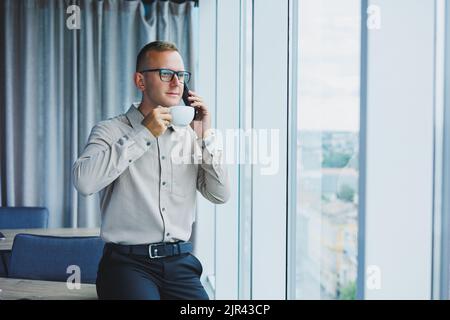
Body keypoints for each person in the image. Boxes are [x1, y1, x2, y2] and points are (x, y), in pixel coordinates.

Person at [72, 41, 230, 300]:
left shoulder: (191, 137)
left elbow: (220, 195)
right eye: (166, 74)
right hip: (127, 265)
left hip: (181, 263)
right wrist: (144, 133)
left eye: (181, 75)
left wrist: (205, 135)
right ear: (140, 81)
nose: (176, 82)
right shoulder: (110, 131)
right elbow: (84, 183)